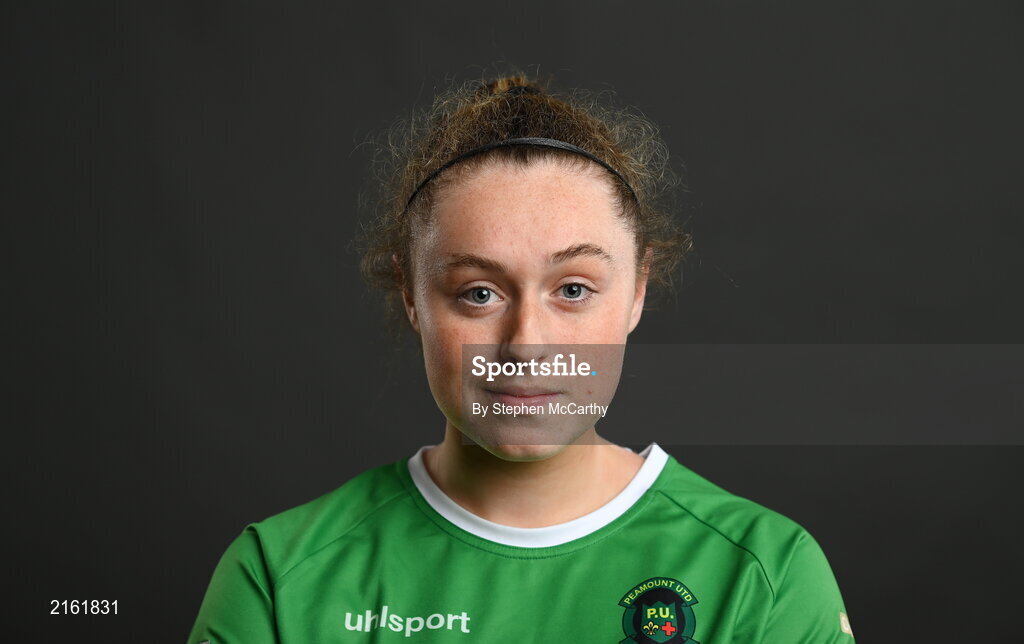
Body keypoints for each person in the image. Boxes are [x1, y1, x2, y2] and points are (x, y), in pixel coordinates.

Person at [187, 73, 855, 643]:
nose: (526, 343)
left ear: (637, 292)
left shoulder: (764, 575)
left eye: (572, 289)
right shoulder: (280, 577)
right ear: (412, 297)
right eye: (477, 293)